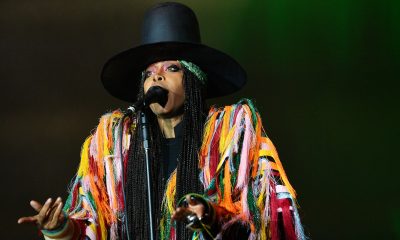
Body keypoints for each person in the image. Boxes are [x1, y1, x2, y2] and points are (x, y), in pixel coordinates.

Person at [18, 2, 306, 240]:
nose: (157, 77)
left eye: (171, 68)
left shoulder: (232, 135)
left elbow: (267, 219)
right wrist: (60, 228)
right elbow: (97, 223)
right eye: (149, 72)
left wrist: (212, 215)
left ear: (194, 80)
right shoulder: (115, 146)